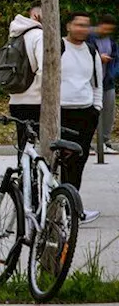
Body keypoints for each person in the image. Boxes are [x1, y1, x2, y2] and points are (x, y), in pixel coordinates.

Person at [61, 11, 103, 223]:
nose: (82, 29)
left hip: (85, 113)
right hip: (61, 114)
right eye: (78, 25)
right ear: (68, 26)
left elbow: (97, 82)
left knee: (79, 162)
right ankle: (57, 208)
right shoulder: (57, 47)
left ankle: (73, 209)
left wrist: (96, 108)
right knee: (60, 163)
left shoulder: (91, 50)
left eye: (86, 25)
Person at [8, 5, 45, 148]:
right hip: (36, 100)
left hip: (16, 99)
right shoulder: (39, 36)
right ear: (36, 15)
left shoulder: (15, 35)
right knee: (44, 147)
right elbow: (44, 69)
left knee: (23, 146)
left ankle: (24, 169)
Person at [88, 13, 117, 154]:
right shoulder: (88, 37)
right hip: (90, 82)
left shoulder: (111, 41)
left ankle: (105, 142)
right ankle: (88, 143)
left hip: (107, 81)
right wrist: (98, 58)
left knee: (108, 112)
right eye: (105, 29)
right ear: (99, 25)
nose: (106, 32)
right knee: (90, 112)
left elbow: (116, 60)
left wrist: (113, 74)